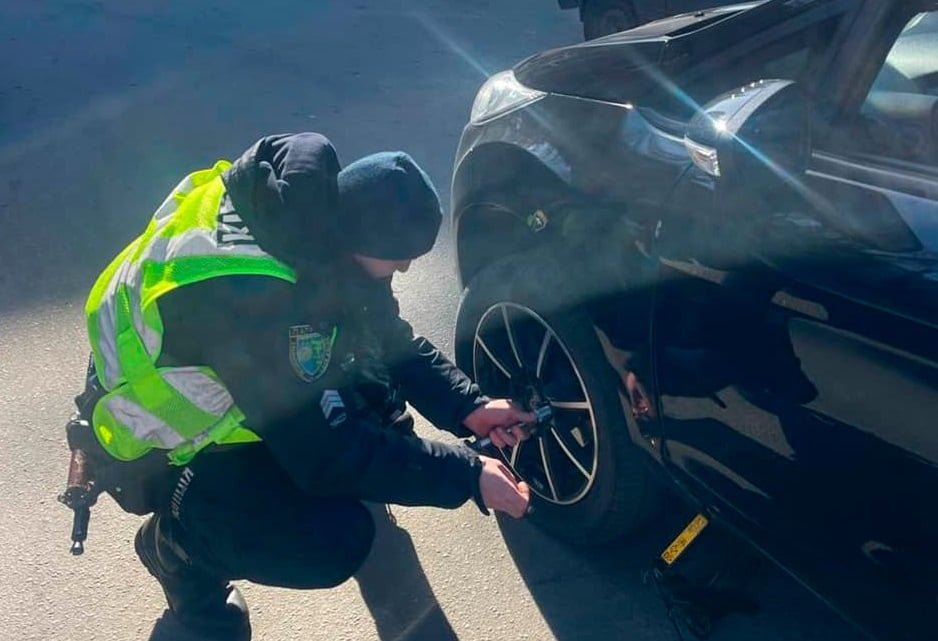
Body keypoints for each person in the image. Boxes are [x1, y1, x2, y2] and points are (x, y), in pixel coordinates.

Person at [74, 132, 533, 641]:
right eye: (399, 257)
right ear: (358, 240)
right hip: (157, 440)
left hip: (221, 372)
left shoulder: (301, 217)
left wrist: (467, 405)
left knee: (367, 397)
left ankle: (220, 506)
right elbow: (324, 458)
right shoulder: (257, 301)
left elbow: (384, 333)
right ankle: (178, 547)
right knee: (332, 540)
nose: (404, 268)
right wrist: (468, 474)